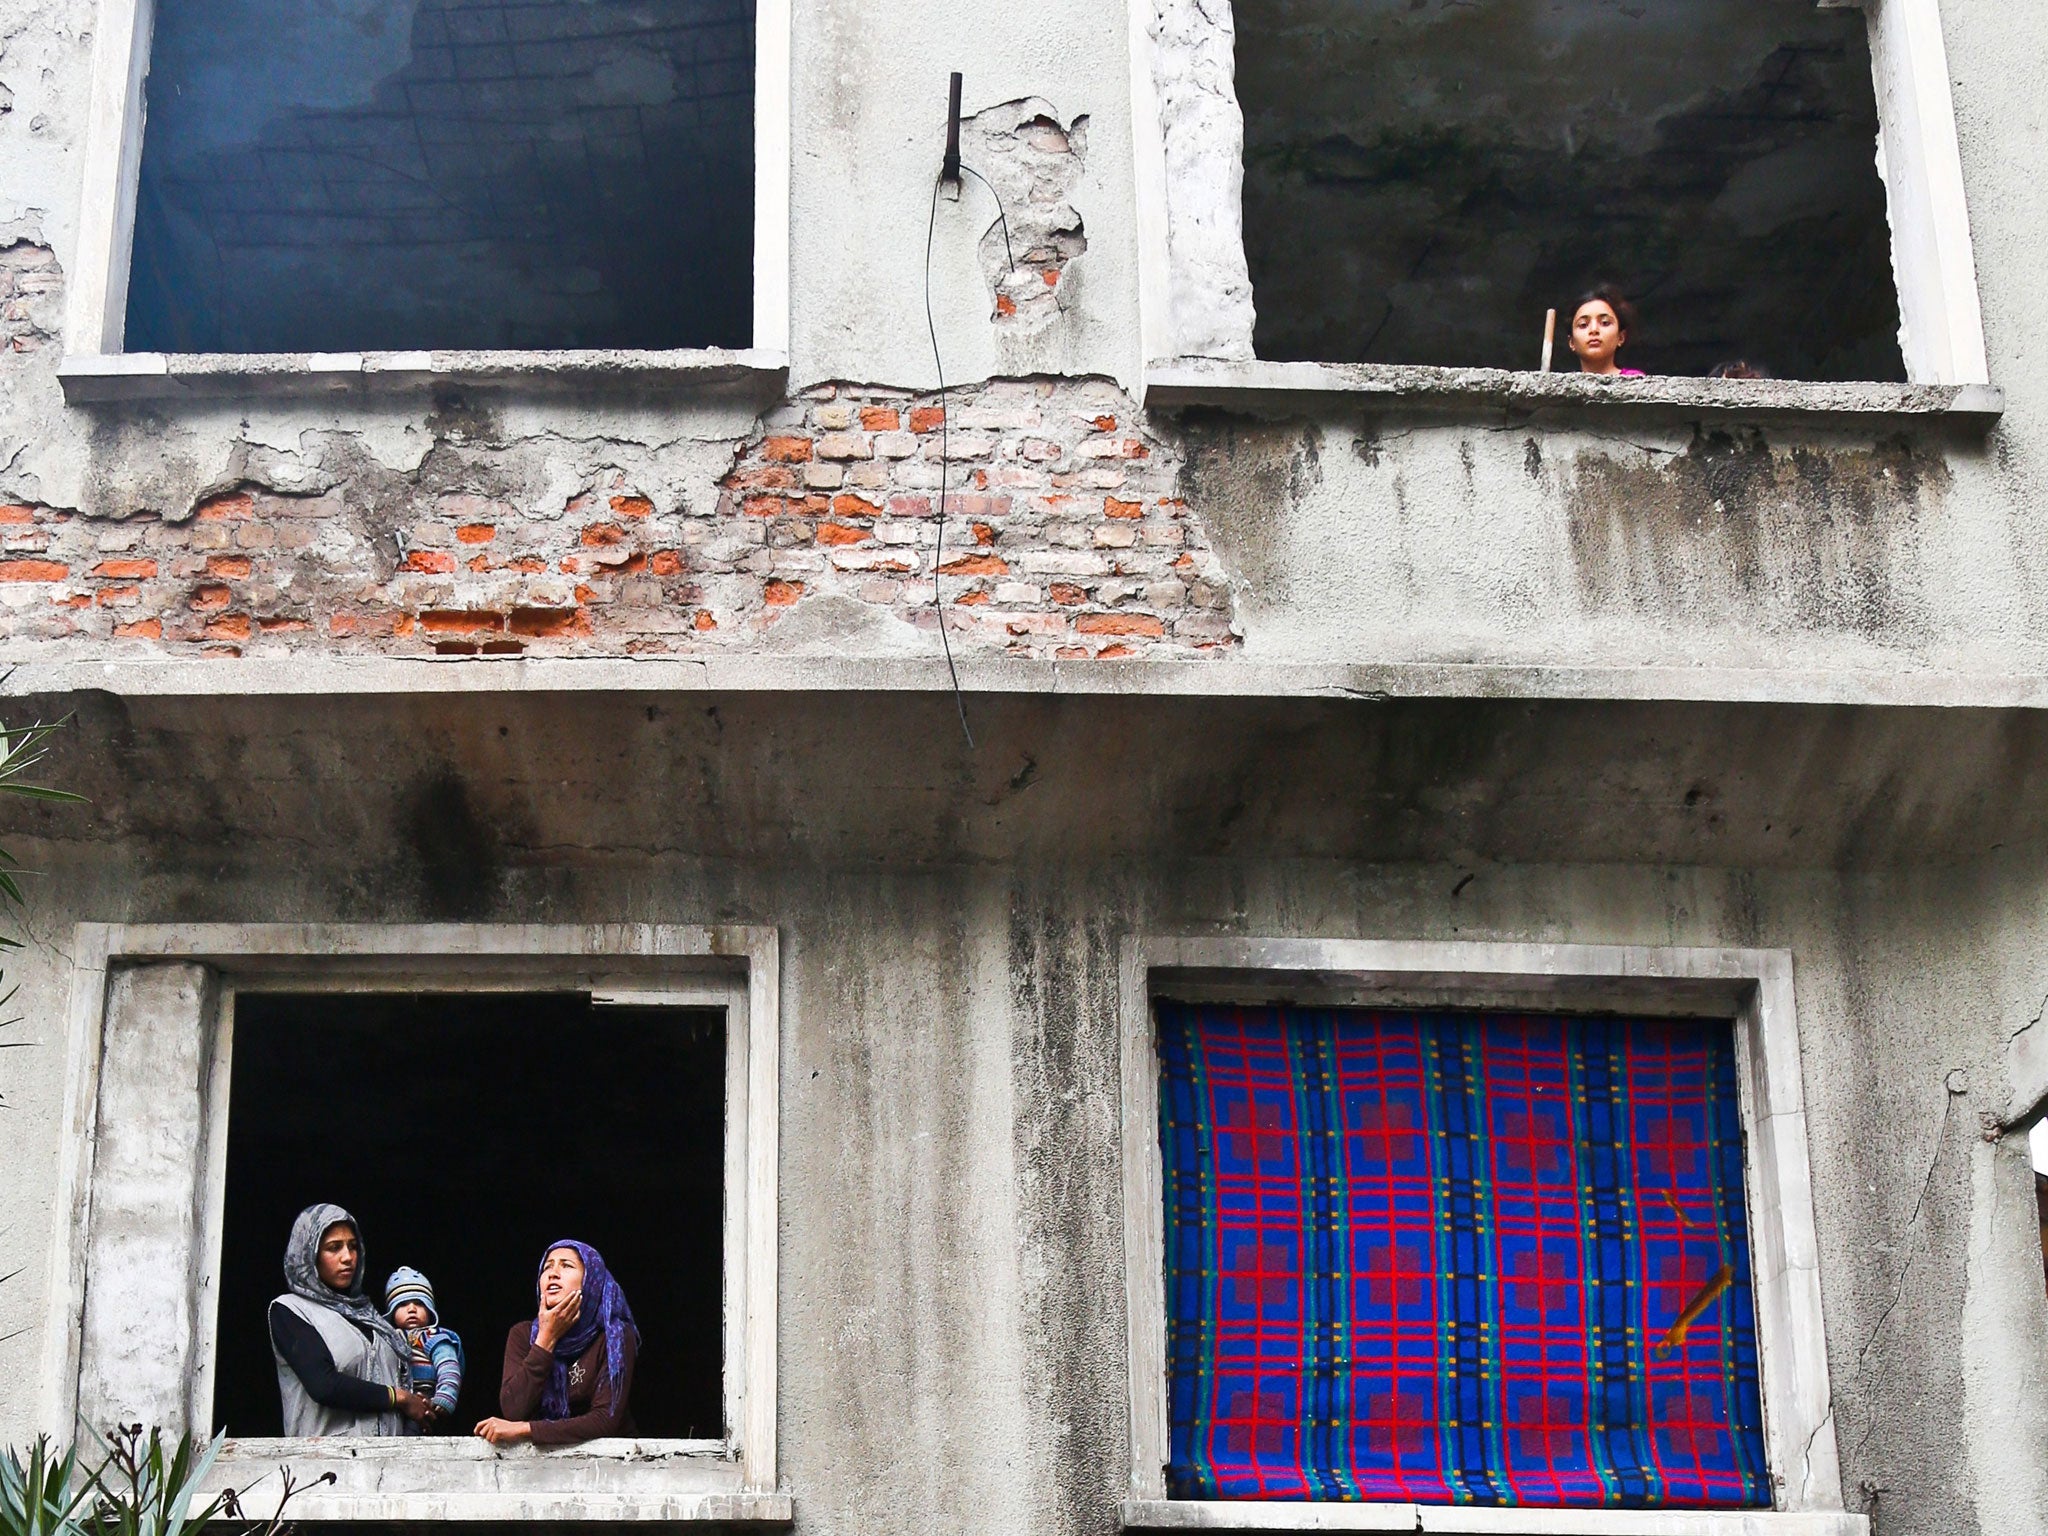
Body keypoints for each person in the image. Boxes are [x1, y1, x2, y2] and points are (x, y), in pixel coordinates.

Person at [268, 1203, 431, 1436]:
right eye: (334, 1248)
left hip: (390, 1464)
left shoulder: (373, 1319)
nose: (348, 1257)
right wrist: (400, 1398)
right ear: (308, 1254)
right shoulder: (291, 1310)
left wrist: (421, 1405)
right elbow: (324, 1386)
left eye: (353, 1246)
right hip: (326, 1466)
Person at [475, 1240, 640, 1447]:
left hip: (609, 1467)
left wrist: (525, 1430)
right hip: (540, 1468)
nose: (553, 1273)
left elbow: (606, 1419)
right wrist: (546, 1338)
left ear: (591, 1281)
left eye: (567, 1265)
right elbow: (514, 1409)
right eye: (547, 1267)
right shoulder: (522, 1334)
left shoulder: (615, 1336)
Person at [384, 1266, 465, 1428]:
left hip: (425, 1403)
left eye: (419, 1304)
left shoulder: (434, 1336)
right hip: (396, 1405)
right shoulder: (386, 1338)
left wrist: (443, 1398)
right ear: (391, 1312)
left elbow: (448, 1366)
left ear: (430, 1310)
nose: (412, 1309)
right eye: (403, 1304)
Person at [1568, 287, 1645, 377]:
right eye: (1583, 325)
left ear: (1621, 337)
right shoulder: (1562, 388)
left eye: (1605, 323)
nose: (1594, 330)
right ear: (1571, 342)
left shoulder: (1634, 380)